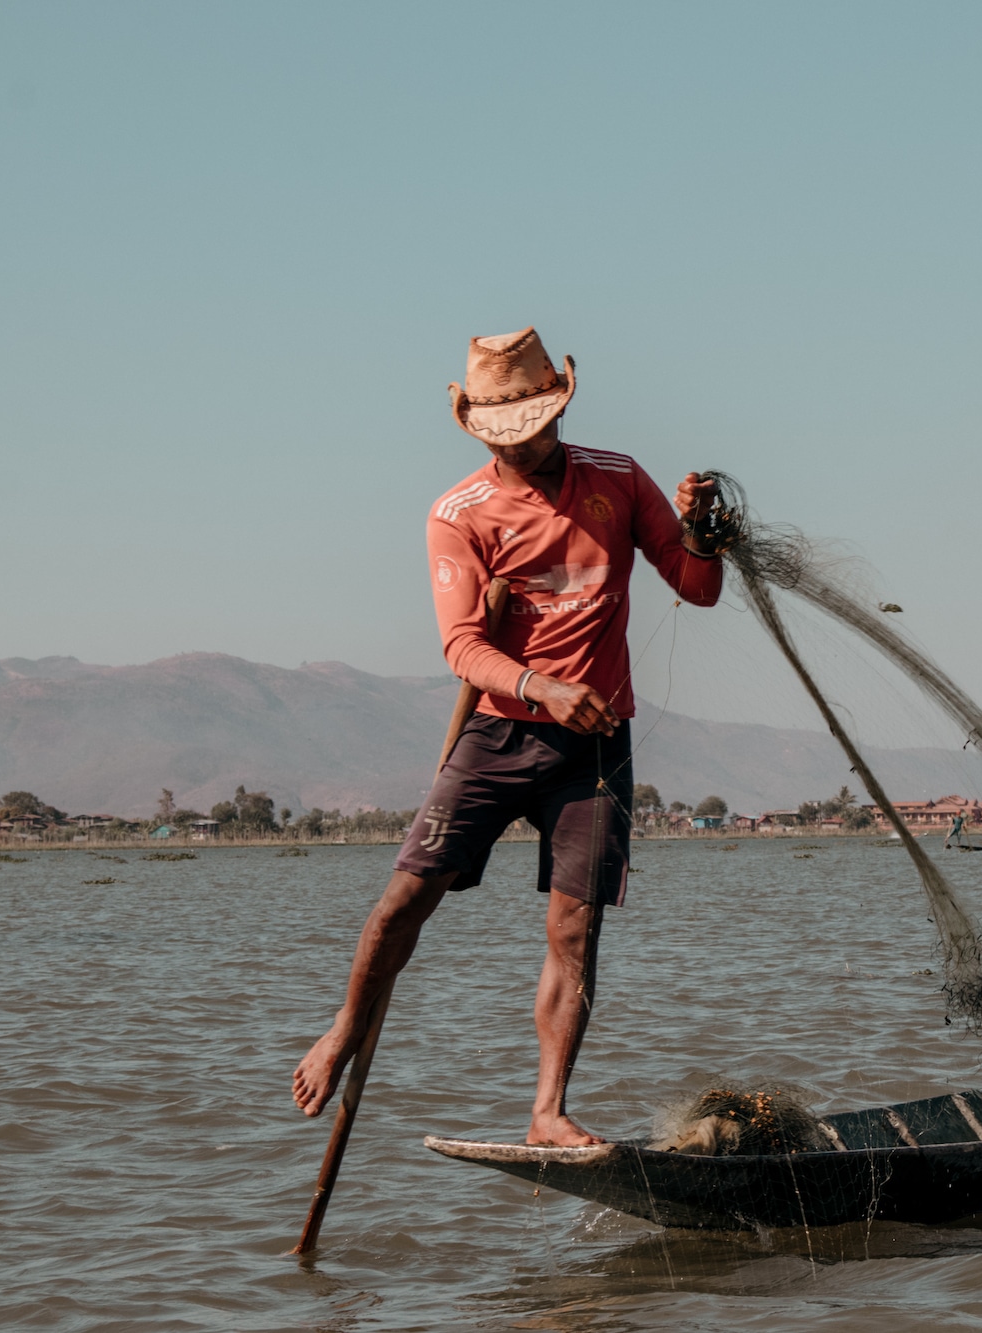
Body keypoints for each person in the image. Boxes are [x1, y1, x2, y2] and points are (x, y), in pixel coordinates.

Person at [291, 328, 722, 1146]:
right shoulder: (459, 514)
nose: (520, 443)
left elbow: (696, 589)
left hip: (593, 746)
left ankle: (547, 1109)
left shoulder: (620, 482)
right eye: (502, 433)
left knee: (574, 928)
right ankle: (347, 1024)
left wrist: (701, 533)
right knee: (403, 901)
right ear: (479, 429)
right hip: (499, 735)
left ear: (559, 408)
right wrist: (544, 686)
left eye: (532, 424)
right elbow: (463, 646)